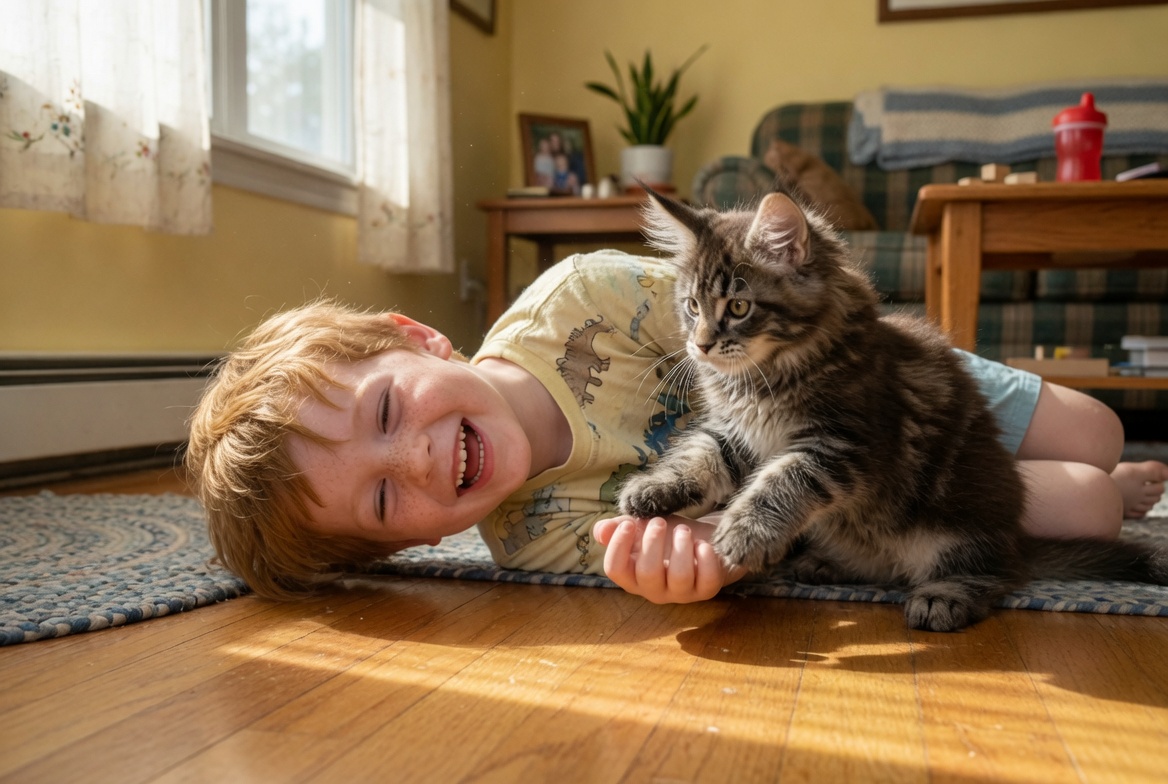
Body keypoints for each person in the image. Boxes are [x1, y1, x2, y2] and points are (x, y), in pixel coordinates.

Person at [186, 250, 1168, 603]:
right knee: (1083, 505)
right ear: (410, 546)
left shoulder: (579, 298)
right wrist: (697, 573)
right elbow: (719, 547)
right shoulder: (533, 542)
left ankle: (1113, 476)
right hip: (846, 486)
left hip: (875, 386)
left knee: (1092, 430)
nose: (421, 455)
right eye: (385, 496)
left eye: (389, 410)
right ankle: (1112, 499)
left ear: (419, 337)